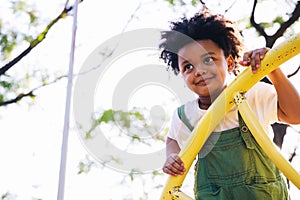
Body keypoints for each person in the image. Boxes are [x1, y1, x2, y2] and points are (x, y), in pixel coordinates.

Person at [159, 9, 300, 199]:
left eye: (208, 59)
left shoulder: (251, 94)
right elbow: (173, 140)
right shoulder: (186, 115)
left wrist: (273, 70)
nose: (198, 71)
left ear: (231, 62)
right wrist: (172, 156)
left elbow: (295, 115)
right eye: (188, 67)